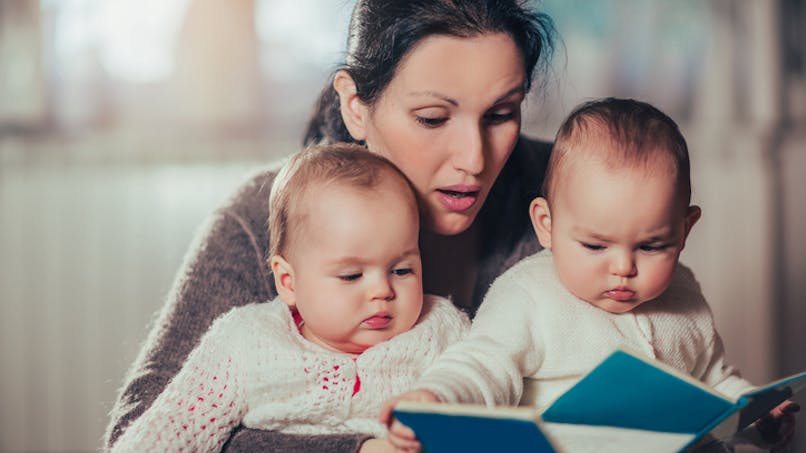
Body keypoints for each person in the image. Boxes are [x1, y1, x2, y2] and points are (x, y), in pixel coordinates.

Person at [104, 1, 557, 451]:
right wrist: (358, 449)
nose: (473, 159)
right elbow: (141, 433)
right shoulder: (259, 220)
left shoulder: (567, 189)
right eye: (432, 118)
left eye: (500, 115)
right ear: (355, 105)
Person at [382, 98, 799, 452]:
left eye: (651, 246)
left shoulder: (685, 294)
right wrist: (436, 398)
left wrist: (754, 413)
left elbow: (715, 382)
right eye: (596, 246)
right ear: (546, 224)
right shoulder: (527, 294)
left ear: (685, 230)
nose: (623, 268)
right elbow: (482, 365)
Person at [109, 143, 470, 452]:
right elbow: (177, 425)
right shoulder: (247, 340)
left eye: (402, 270)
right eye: (351, 275)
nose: (382, 290)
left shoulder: (440, 329)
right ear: (288, 282)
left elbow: (490, 399)